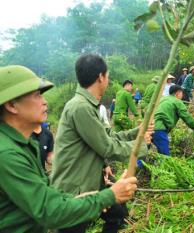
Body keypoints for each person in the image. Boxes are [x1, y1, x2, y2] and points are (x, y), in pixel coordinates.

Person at [0, 65, 138, 233]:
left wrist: (84, 198)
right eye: (37, 95)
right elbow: (49, 211)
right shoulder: (7, 154)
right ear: (12, 105)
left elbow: (43, 192)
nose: (44, 101)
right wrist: (109, 195)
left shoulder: (24, 143)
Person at [51, 54, 153, 233]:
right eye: (108, 76)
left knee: (117, 213)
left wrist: (138, 131)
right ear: (100, 77)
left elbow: (110, 136)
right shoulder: (80, 107)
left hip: (91, 185)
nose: (108, 80)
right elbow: (108, 147)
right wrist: (141, 146)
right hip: (75, 191)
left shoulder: (89, 106)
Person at [153, 85, 194, 155]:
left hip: (148, 127)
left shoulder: (162, 99)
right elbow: (188, 119)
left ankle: (137, 164)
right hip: (159, 129)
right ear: (178, 93)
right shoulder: (177, 102)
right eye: (182, 93)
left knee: (144, 155)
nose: (182, 96)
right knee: (165, 157)